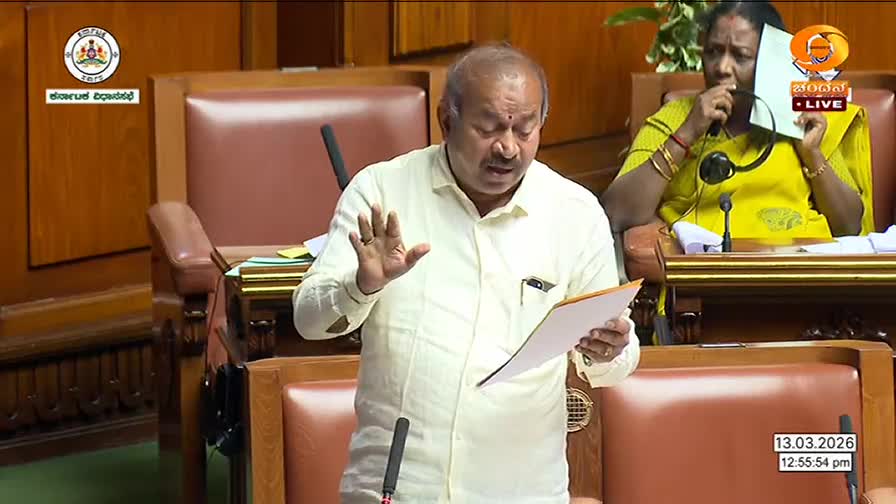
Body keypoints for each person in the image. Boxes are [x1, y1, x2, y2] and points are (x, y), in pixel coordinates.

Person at [292, 43, 639, 504]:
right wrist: (362, 285)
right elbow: (308, 321)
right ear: (446, 119)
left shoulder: (575, 213)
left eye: (524, 129)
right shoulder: (382, 191)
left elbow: (616, 363)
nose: (507, 147)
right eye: (488, 127)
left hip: (520, 492)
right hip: (399, 488)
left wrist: (611, 348)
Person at [601, 0, 874, 240]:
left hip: (796, 270)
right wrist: (685, 135)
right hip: (704, 273)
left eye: (741, 56)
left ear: (770, 62)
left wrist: (812, 154)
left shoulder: (803, 119)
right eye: (713, 52)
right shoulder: (676, 118)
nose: (722, 68)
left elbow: (849, 225)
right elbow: (616, 213)